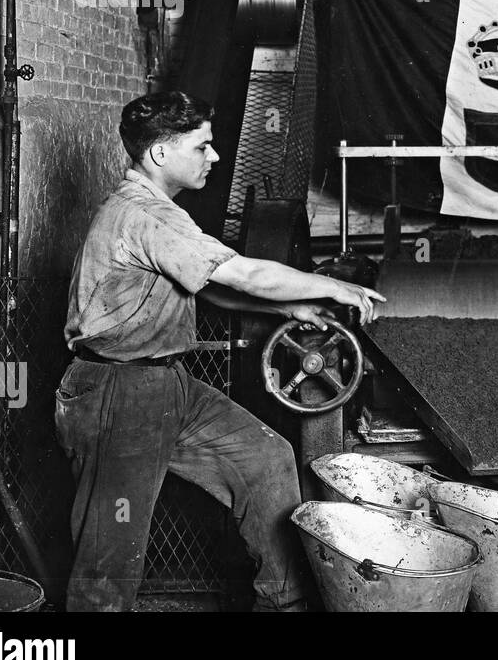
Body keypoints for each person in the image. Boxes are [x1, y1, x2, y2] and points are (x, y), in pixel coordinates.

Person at [54, 91, 385, 611]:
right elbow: (247, 273)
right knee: (111, 546)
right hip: (118, 392)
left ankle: (284, 603)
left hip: (167, 384)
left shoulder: (161, 215)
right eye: (203, 146)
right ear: (161, 154)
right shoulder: (147, 216)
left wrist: (286, 310)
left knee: (266, 459)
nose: (215, 157)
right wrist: (329, 286)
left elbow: (204, 282)